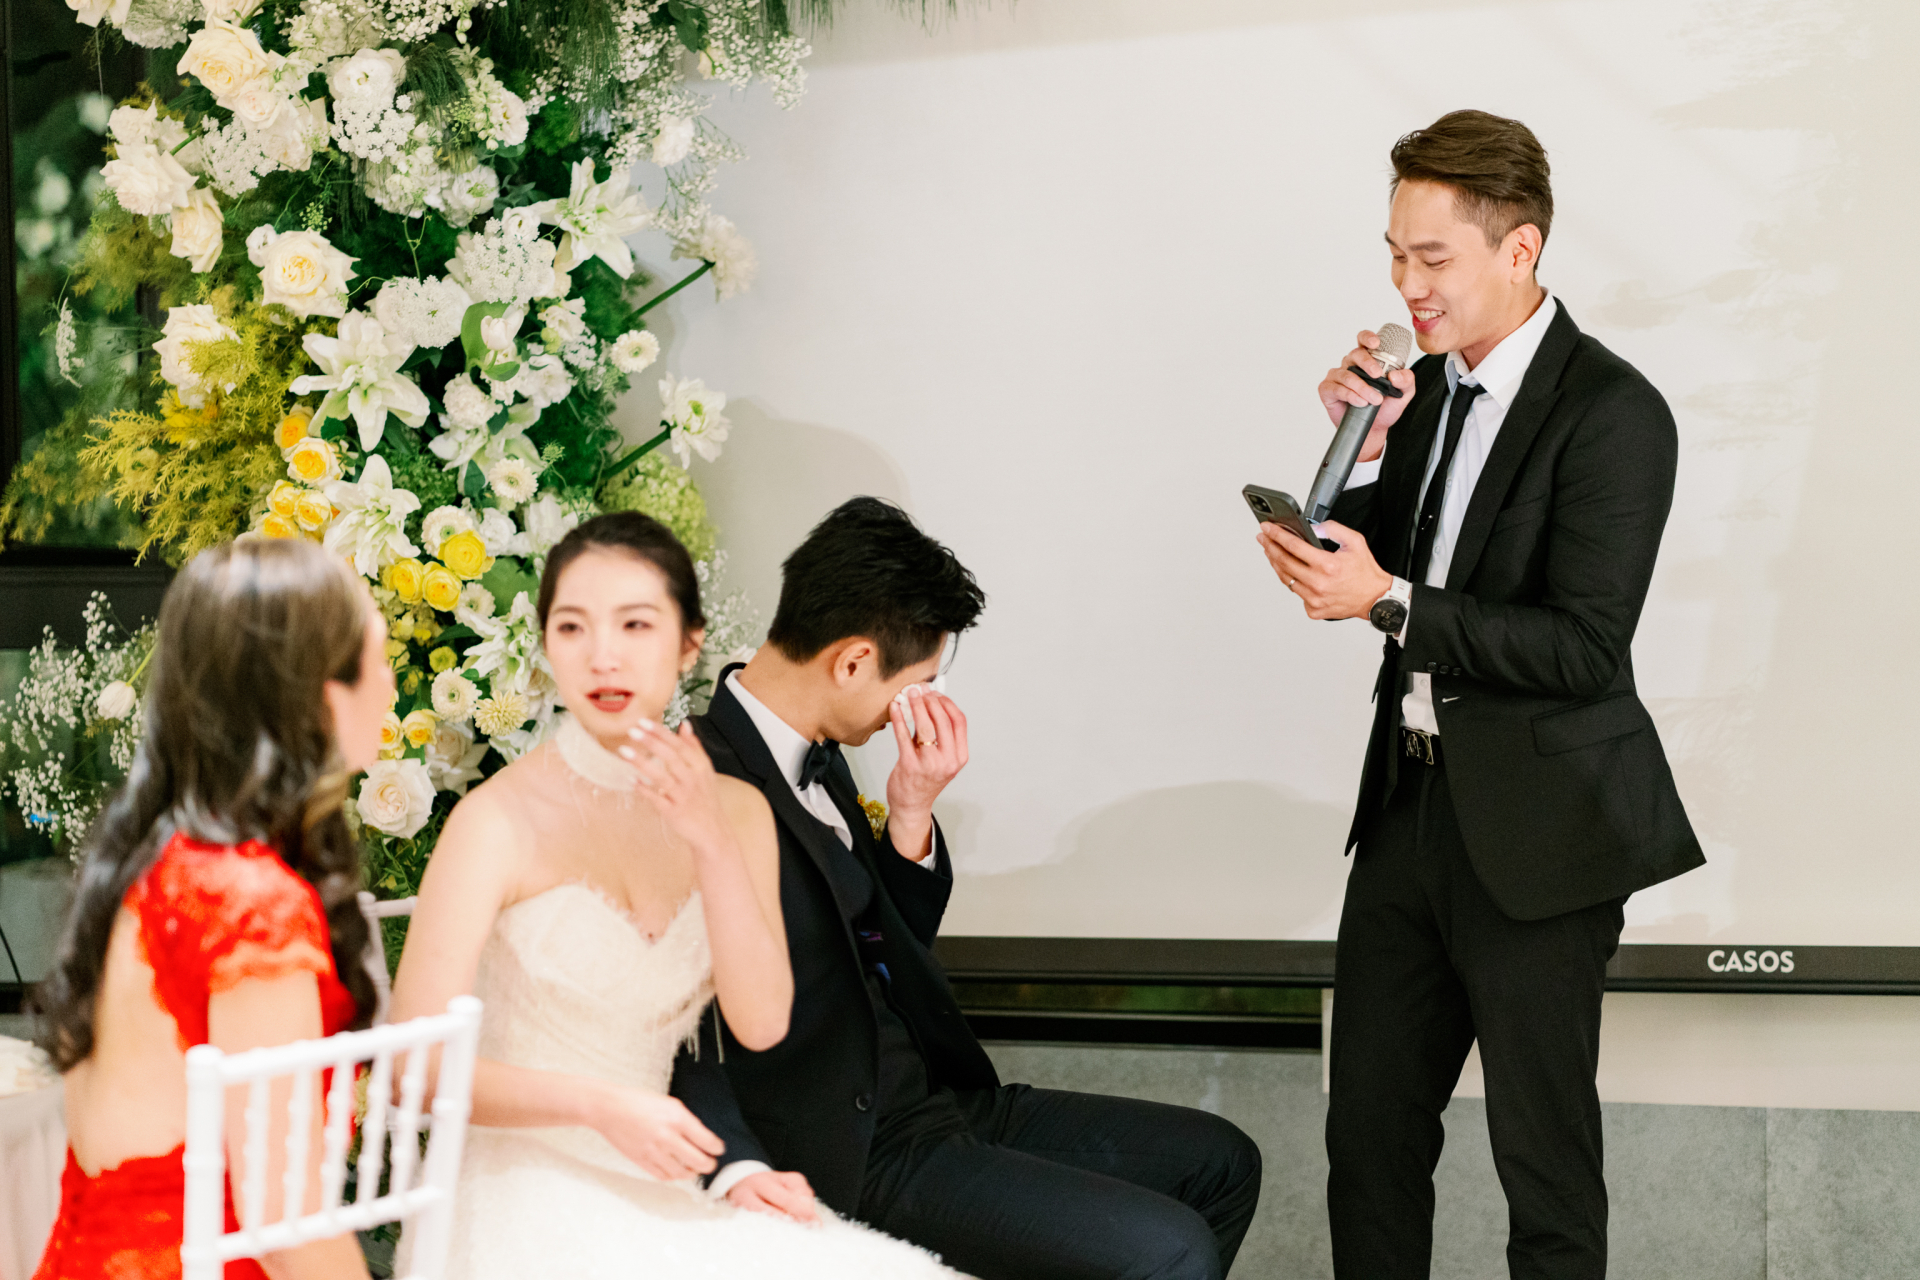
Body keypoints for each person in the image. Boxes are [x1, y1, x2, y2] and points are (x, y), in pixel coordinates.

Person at [1255, 110, 1705, 1279]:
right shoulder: (1423, 393)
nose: (1405, 285)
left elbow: (1584, 646)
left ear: (1521, 249)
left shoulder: (1615, 412)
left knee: (1542, 1168)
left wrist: (1385, 598)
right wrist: (1357, 454)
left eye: (1432, 257)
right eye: (1394, 255)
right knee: (1368, 1142)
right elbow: (1398, 561)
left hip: (1542, 837)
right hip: (1407, 812)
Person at [669, 496, 1264, 1280]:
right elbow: (672, 1032)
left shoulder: (824, 755)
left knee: (1221, 1162)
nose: (915, 710)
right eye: (916, 684)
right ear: (852, 662)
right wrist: (739, 1170)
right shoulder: (690, 783)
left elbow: (881, 949)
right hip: (851, 1149)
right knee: (1173, 1250)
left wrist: (911, 811)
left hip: (937, 1101)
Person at [387, 511, 960, 1278]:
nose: (604, 657)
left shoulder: (741, 809)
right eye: (572, 628)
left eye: (635, 626)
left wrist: (713, 841)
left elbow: (762, 1024)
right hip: (526, 1188)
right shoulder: (495, 820)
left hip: (675, 1180)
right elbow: (411, 1070)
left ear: (689, 644)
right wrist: (599, 1106)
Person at [32, 538, 387, 1280]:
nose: (389, 688)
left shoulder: (155, 867)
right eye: (378, 661)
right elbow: (285, 1223)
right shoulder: (247, 904)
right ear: (325, 697)